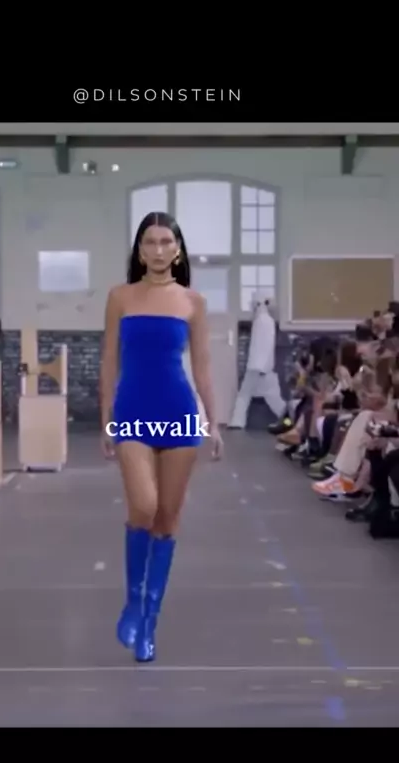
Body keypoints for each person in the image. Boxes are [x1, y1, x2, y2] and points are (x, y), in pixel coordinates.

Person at [99, 211, 223, 664]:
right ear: (139, 250)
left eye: (165, 242)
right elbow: (109, 360)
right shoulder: (120, 297)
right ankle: (133, 602)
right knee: (144, 507)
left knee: (167, 519)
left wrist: (214, 422)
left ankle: (150, 621)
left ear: (178, 250)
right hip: (133, 411)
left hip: (178, 412)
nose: (157, 249)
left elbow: (203, 366)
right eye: (149, 242)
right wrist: (105, 417)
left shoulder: (193, 302)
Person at [230, 300, 285, 429]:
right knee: (273, 397)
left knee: (245, 394)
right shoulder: (266, 321)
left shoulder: (261, 322)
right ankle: (289, 419)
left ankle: (237, 422)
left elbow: (261, 346)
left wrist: (261, 366)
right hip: (262, 366)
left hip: (257, 366)